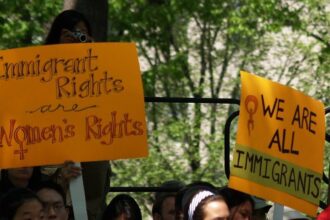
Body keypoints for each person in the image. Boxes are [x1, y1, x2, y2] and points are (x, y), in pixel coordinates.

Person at [45, 9, 111, 220]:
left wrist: (94, 55)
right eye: (69, 34)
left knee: (89, 207)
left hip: (91, 148)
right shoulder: (38, 69)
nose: (76, 39)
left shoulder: (101, 71)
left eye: (81, 34)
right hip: (52, 148)